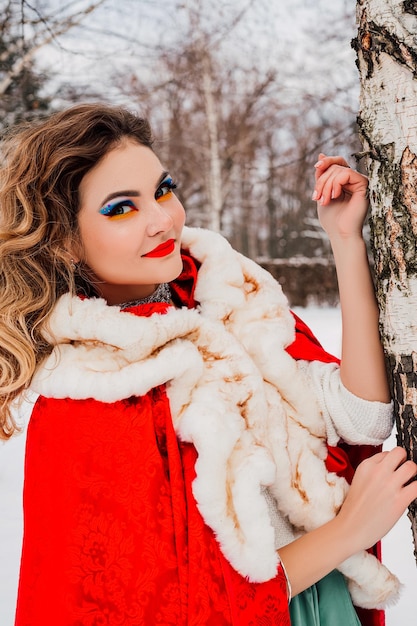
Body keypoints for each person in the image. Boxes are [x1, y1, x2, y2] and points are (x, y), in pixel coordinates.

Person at [0, 103, 415, 626]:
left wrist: (345, 240)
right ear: (63, 240)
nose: (162, 219)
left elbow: (362, 418)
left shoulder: (228, 300)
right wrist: (347, 533)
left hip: (325, 606)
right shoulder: (86, 396)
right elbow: (178, 609)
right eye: (120, 208)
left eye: (163, 189)